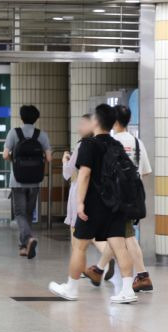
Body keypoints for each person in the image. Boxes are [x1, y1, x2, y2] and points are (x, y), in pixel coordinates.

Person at [49, 104, 136, 303]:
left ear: (96, 121)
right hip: (115, 205)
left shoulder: (89, 144)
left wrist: (79, 203)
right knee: (120, 247)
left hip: (92, 206)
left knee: (79, 247)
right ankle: (128, 290)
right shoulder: (116, 145)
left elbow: (85, 174)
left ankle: (71, 288)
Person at [84, 104, 153, 292]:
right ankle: (98, 270)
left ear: (113, 121)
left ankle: (143, 276)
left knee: (125, 236)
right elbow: (145, 171)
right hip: (133, 195)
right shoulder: (138, 142)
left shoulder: (111, 142)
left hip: (115, 197)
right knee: (118, 234)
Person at [3, 105, 52, 259]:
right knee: (28, 213)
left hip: (17, 181)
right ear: (36, 118)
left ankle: (28, 239)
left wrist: (15, 161)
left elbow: (5, 155)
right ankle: (24, 247)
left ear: (21, 117)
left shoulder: (14, 133)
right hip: (35, 181)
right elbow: (49, 158)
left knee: (19, 213)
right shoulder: (41, 135)